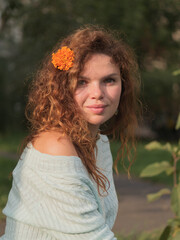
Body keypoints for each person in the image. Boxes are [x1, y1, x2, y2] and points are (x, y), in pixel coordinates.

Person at [0, 25, 140, 240]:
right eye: (82, 82)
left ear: (124, 85)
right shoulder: (55, 147)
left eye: (109, 80)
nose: (97, 94)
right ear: (62, 88)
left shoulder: (97, 143)